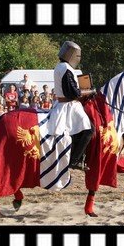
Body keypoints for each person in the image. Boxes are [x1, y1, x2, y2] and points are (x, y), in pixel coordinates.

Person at [49, 41, 94, 171]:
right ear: (72, 54)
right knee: (89, 130)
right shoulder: (66, 69)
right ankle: (75, 160)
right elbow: (74, 93)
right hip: (69, 105)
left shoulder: (59, 66)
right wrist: (90, 91)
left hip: (61, 104)